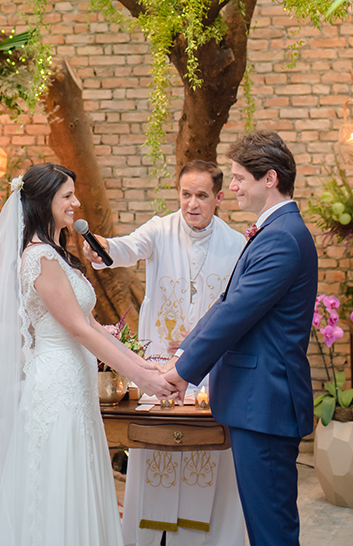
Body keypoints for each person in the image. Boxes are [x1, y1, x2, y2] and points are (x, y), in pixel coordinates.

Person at [0, 163, 178, 546]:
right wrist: (145, 379)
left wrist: (140, 366)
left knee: (77, 476)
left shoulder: (56, 254)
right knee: (56, 481)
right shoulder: (39, 259)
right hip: (57, 385)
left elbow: (95, 325)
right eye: (67, 195)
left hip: (74, 381)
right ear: (44, 201)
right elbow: (79, 329)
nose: (76, 202)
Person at [162, 132, 318, 546]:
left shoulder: (282, 236)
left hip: (265, 401)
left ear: (269, 178)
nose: (230, 188)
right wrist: (182, 352)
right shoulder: (273, 230)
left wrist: (182, 371)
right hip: (257, 401)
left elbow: (237, 312)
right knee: (265, 524)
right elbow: (228, 301)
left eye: (237, 178)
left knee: (272, 531)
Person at [84, 160, 246, 546]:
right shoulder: (160, 229)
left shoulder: (237, 244)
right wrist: (106, 249)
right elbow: (126, 247)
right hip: (160, 373)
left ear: (219, 198)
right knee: (156, 453)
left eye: (202, 195)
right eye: (185, 194)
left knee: (207, 457)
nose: (192, 203)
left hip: (209, 373)